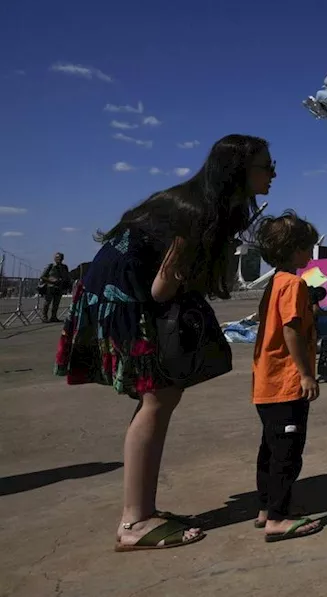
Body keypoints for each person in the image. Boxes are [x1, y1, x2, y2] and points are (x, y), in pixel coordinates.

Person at [54, 135, 276, 551]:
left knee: (159, 397)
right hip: (126, 296)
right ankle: (134, 521)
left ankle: (141, 510)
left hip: (120, 288)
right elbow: (161, 289)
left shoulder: (204, 206)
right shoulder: (197, 213)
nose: (273, 174)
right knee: (159, 397)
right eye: (266, 166)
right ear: (238, 171)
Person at [251, 211, 324, 542]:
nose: (310, 255)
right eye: (307, 248)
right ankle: (278, 518)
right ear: (294, 249)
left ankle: (267, 507)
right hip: (285, 383)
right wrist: (306, 374)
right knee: (288, 452)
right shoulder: (294, 284)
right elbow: (290, 329)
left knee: (271, 448)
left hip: (266, 382)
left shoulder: (275, 282)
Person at [39, 252, 72, 322]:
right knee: (47, 303)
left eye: (60, 258)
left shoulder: (64, 267)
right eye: (57, 258)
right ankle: (44, 317)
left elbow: (67, 277)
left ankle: (54, 317)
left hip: (59, 287)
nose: (58, 259)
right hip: (50, 287)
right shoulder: (50, 266)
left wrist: (67, 284)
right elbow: (42, 276)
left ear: (63, 259)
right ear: (54, 258)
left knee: (56, 303)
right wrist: (52, 281)